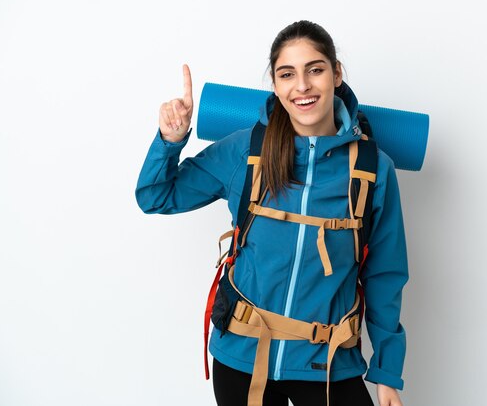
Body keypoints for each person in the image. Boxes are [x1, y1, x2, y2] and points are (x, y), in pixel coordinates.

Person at [136, 20, 408, 406]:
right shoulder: (246, 152)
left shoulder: (373, 169)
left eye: (315, 69)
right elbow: (155, 196)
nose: (302, 86)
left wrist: (386, 374)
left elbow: (385, 275)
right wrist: (170, 140)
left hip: (327, 364)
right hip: (241, 360)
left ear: (337, 73)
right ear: (276, 85)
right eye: (287, 74)